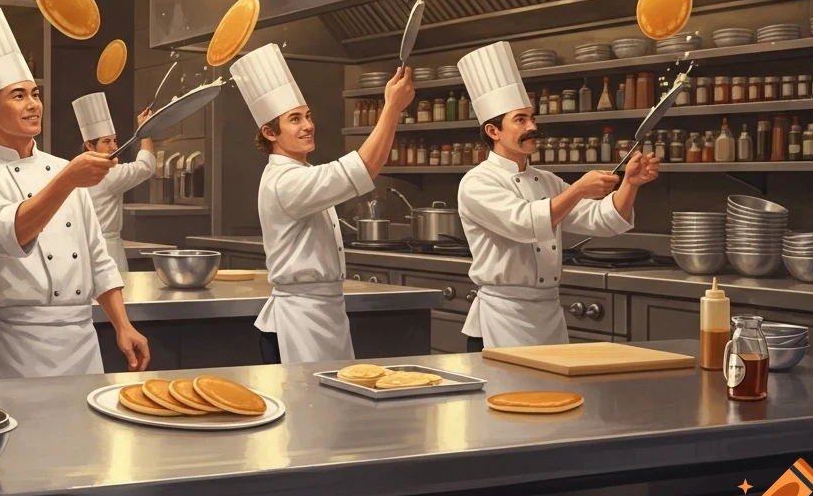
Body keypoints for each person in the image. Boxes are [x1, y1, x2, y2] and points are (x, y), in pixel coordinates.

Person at [0, 5, 151, 379]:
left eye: (34, 94)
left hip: (82, 341)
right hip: (20, 345)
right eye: (18, 96)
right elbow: (12, 233)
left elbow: (97, 258)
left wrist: (122, 325)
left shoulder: (61, 168)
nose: (33, 104)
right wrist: (69, 178)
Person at [456, 41, 661, 349]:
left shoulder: (547, 181)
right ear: (493, 132)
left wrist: (629, 184)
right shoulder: (477, 183)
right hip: (500, 320)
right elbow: (525, 224)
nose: (533, 126)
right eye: (521, 120)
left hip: (549, 317)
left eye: (532, 117)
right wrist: (578, 188)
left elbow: (601, 220)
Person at [231, 43, 414, 364]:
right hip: (297, 324)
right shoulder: (285, 181)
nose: (308, 125)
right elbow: (364, 167)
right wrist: (391, 109)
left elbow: (363, 168)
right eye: (294, 119)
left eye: (308, 116)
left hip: (326, 314)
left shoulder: (302, 171)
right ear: (269, 132)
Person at [72, 92, 154, 272]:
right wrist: (146, 131)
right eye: (106, 141)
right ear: (89, 145)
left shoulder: (72, 170)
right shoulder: (107, 173)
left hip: (78, 251)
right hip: (107, 251)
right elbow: (146, 166)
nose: (114, 147)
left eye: (115, 140)